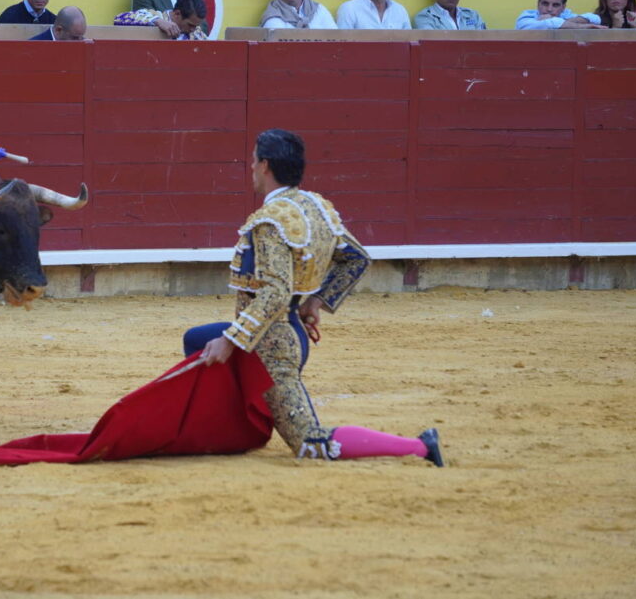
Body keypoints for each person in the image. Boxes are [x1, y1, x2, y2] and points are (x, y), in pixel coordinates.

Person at [184, 128, 444, 467]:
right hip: (287, 331)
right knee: (196, 341)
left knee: (309, 441)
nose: (249, 168)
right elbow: (357, 258)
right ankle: (225, 430)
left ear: (264, 165)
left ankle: (419, 446)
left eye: (251, 161)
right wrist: (314, 301)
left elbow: (275, 292)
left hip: (272, 350)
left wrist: (231, 340)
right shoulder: (316, 207)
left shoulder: (269, 222)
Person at [114, 0, 207, 41]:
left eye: (195, 26)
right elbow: (119, 18)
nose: (193, 29)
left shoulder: (197, 34)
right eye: (190, 25)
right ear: (177, 14)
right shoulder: (156, 17)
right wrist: (158, 21)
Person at [515, 0, 606, 30]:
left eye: (555, 5)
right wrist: (580, 26)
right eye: (545, 4)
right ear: (538, 4)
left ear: (563, 7)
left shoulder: (566, 15)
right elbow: (551, 23)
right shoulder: (526, 17)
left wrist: (566, 23)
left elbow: (594, 18)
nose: (549, 9)